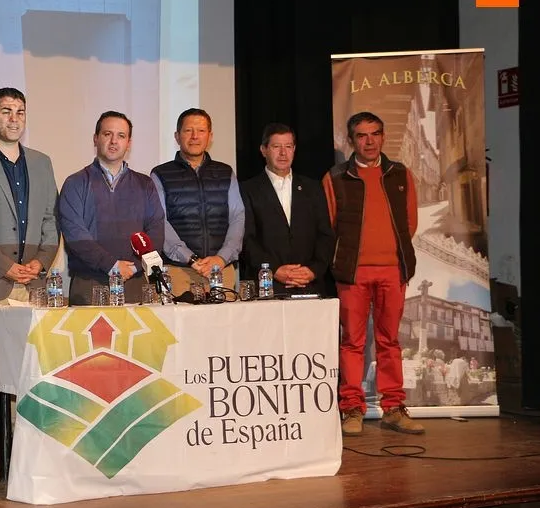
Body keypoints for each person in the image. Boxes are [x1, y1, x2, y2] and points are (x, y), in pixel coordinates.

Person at [0, 88, 59, 458]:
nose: (14, 118)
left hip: (32, 283)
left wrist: (41, 262)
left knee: (28, 364)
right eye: (6, 111)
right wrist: (5, 266)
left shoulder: (41, 162)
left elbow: (51, 220)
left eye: (20, 111)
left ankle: (26, 432)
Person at [322, 111, 423, 436]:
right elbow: (330, 225)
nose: (369, 141)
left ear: (383, 136)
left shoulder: (400, 174)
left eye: (375, 134)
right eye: (362, 135)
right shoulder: (336, 177)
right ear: (351, 140)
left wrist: (393, 258)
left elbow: (409, 223)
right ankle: (352, 409)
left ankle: (393, 408)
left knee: (389, 341)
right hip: (352, 273)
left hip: (393, 271)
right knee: (352, 342)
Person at [58, 111, 164, 305]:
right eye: (107, 134)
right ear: (95, 139)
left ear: (129, 143)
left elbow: (156, 232)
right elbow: (75, 235)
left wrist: (132, 268)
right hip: (89, 284)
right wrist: (112, 265)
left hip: (135, 282)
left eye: (121, 136)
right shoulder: (76, 183)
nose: (114, 141)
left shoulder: (145, 184)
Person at [150, 108, 244, 295]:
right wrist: (190, 259)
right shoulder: (160, 174)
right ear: (177, 136)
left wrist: (221, 258)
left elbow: (237, 216)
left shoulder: (225, 172)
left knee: (226, 324)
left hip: (221, 271)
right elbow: (160, 221)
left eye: (201, 131)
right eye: (188, 131)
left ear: (210, 136)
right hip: (179, 272)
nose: (194, 136)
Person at [240, 123, 335, 295]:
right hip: (267, 286)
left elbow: (325, 234)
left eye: (288, 146)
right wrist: (273, 270)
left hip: (308, 284)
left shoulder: (313, 188)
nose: (283, 153)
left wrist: (313, 270)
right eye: (276, 147)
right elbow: (247, 239)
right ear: (263, 150)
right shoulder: (247, 189)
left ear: (294, 149)